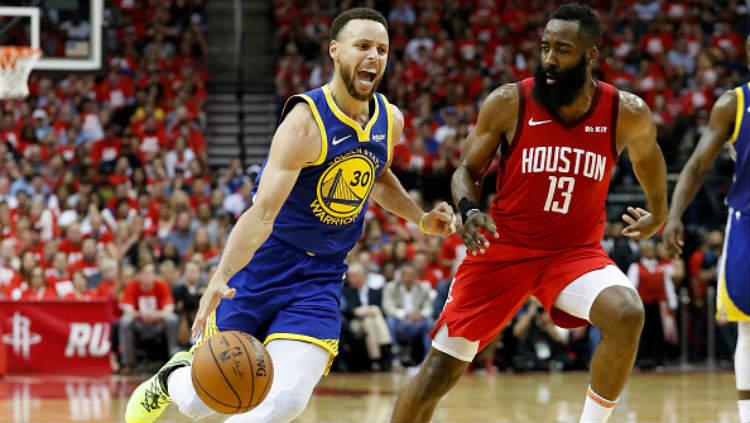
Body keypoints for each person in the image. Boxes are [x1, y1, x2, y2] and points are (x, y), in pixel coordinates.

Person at [125, 8, 454, 423]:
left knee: (285, 400)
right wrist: (219, 277)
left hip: (320, 279)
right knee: (199, 402)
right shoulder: (305, 124)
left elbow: (378, 175)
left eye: (382, 49)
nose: (374, 56)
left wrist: (421, 217)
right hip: (263, 267)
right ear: (335, 51)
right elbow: (261, 214)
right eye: (363, 46)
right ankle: (169, 379)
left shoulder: (390, 120)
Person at [392, 5, 668, 423]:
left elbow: (650, 159)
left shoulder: (625, 111)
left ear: (591, 56)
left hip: (574, 253)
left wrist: (659, 213)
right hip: (503, 249)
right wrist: (468, 210)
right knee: (438, 374)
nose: (550, 59)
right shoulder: (510, 101)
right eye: (545, 48)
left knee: (627, 313)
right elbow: (466, 170)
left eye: (563, 49)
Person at [663, 34, 750, 423]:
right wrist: (674, 214)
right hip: (747, 222)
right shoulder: (734, 103)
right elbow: (697, 164)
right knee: (748, 327)